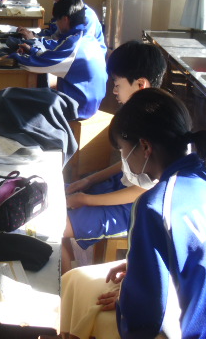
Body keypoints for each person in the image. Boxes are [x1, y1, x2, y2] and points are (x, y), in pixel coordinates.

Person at [60, 88, 206, 338]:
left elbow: (146, 317)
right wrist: (142, 268)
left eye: (122, 149)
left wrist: (128, 294)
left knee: (80, 290)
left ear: (144, 146)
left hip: (196, 332)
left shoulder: (156, 204)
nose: (124, 159)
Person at [63, 41, 166, 262]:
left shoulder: (154, 125)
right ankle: (69, 271)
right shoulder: (137, 114)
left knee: (55, 225)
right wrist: (88, 181)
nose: (114, 91)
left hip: (135, 207)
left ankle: (69, 278)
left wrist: (86, 200)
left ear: (140, 84)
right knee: (54, 200)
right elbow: (127, 163)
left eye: (117, 84)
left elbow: (142, 191)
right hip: (121, 186)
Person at [9, 0, 107, 120]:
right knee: (34, 93)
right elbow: (56, 51)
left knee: (16, 97)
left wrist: (14, 56)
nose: (56, 24)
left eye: (57, 20)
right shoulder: (85, 38)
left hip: (78, 107)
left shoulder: (74, 45)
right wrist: (32, 50)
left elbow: (38, 65)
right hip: (88, 101)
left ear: (65, 19)